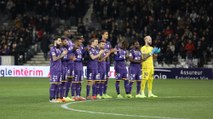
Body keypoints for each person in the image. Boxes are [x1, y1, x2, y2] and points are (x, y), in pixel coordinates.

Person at [49, 36, 68, 103]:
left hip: (59, 69)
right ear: (55, 41)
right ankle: (51, 98)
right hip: (54, 69)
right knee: (53, 83)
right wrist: (62, 55)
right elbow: (54, 59)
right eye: (59, 41)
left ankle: (56, 98)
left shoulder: (59, 49)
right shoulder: (52, 49)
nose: (60, 42)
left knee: (58, 84)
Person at [71, 36, 86, 101]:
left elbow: (82, 55)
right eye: (79, 41)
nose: (81, 43)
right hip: (75, 65)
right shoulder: (73, 47)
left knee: (80, 81)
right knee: (75, 81)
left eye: (81, 42)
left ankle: (78, 95)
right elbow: (71, 56)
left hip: (80, 65)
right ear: (76, 41)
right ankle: (72, 96)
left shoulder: (81, 47)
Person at [100, 30, 113, 98]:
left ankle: (104, 93)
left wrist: (111, 51)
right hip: (102, 62)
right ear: (102, 35)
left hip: (108, 62)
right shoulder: (100, 42)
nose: (107, 35)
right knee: (101, 77)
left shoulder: (108, 43)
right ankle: (100, 93)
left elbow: (110, 50)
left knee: (106, 77)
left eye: (107, 34)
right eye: (106, 34)